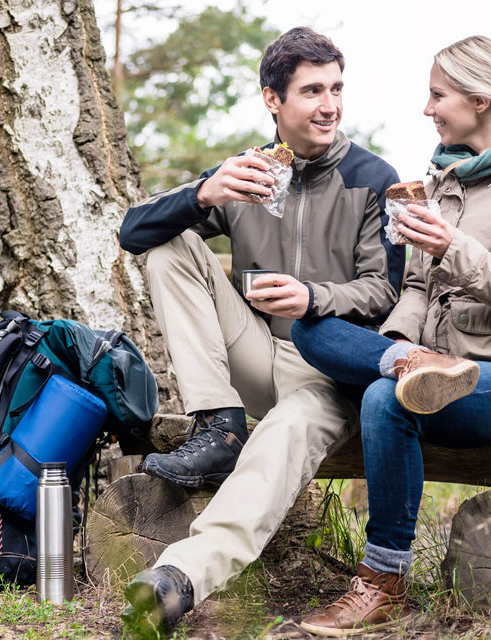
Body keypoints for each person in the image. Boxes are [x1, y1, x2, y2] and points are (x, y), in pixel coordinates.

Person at [291, 35, 491, 636]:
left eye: (437, 95)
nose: (427, 109)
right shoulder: (447, 177)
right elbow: (418, 290)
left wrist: (454, 247)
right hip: (436, 365)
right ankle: (413, 364)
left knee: (385, 398)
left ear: (480, 99)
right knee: (311, 323)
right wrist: (401, 344)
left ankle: (383, 581)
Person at [117, 26, 405, 634]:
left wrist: (314, 297)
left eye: (336, 89)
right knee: (171, 248)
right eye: (311, 91)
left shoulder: (372, 178)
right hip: (255, 357)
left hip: (330, 374)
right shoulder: (247, 173)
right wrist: (203, 192)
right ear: (272, 100)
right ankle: (219, 423)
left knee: (285, 434)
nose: (330, 105)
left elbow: (387, 291)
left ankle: (178, 578)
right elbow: (133, 232)